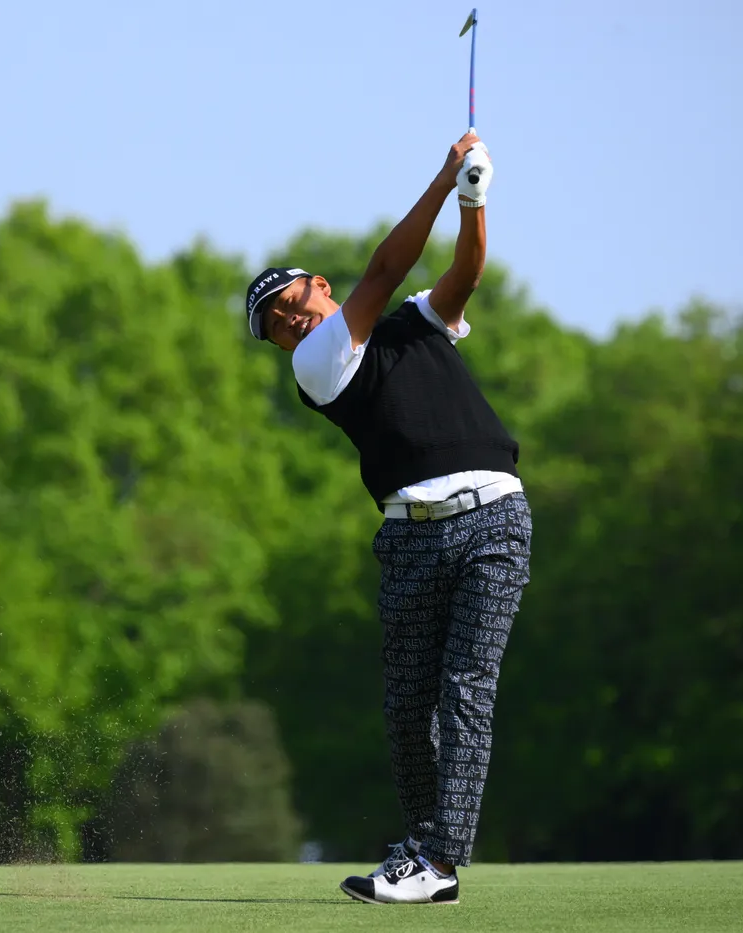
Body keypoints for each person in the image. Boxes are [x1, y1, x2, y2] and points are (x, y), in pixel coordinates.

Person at [242, 133, 532, 905]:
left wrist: (472, 199)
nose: (288, 321)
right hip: (410, 535)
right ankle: (424, 849)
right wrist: (442, 177)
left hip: (494, 518)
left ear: (319, 286)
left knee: (465, 688)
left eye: (291, 302)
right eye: (275, 324)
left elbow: (465, 275)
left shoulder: (416, 321)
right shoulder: (316, 365)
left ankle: (438, 861)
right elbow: (382, 272)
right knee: (407, 706)